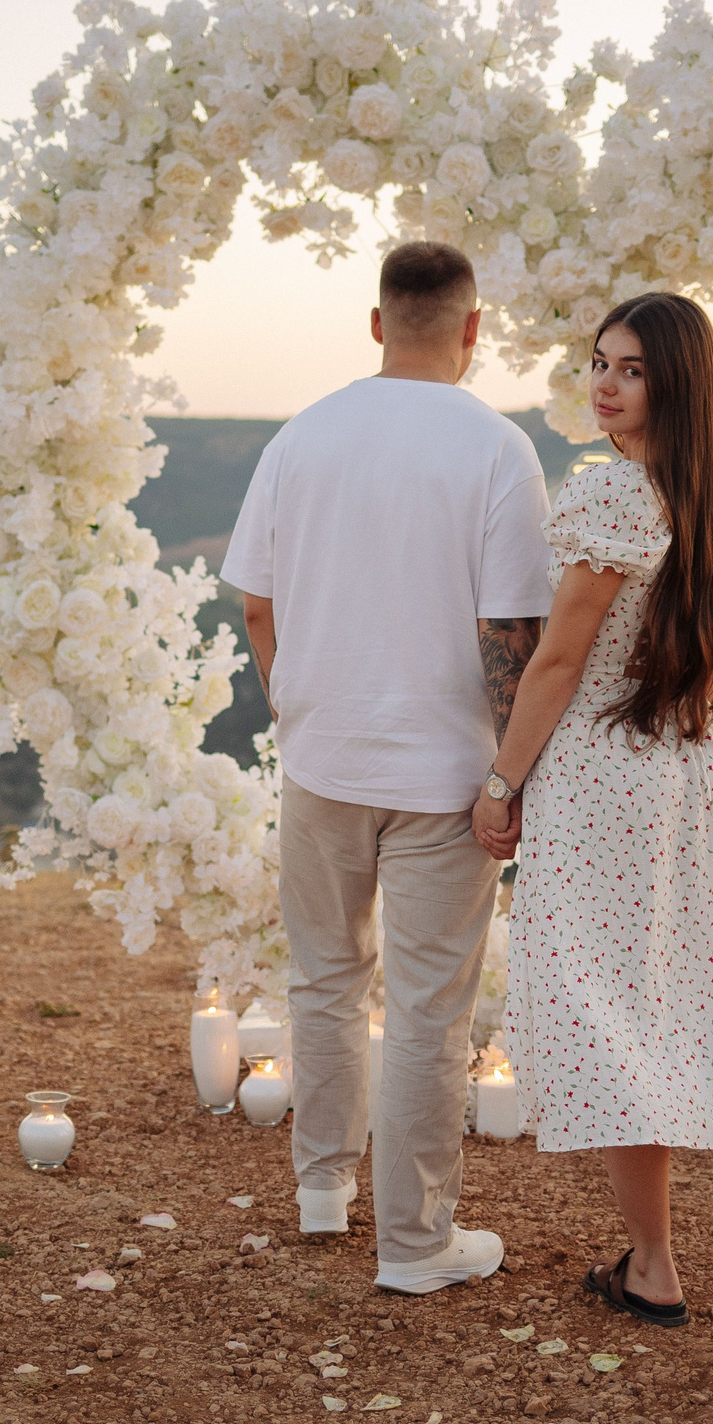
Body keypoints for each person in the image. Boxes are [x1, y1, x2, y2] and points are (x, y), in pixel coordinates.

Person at [472, 291, 713, 1345]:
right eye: (597, 363)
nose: (603, 384)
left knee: (613, 1014)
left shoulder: (608, 498)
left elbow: (556, 660)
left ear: (674, 383)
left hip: (605, 781)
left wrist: (502, 783)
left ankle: (652, 1267)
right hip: (698, 777)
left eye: (630, 369)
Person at [221, 240, 554, 1295]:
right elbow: (513, 630)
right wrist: (510, 776)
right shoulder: (498, 448)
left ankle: (323, 1191)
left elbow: (256, 605)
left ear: (375, 324)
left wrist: (295, 702)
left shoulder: (301, 436)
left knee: (323, 978)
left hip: (321, 757)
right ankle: (413, 1244)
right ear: (472, 328)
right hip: (446, 775)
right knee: (425, 1007)